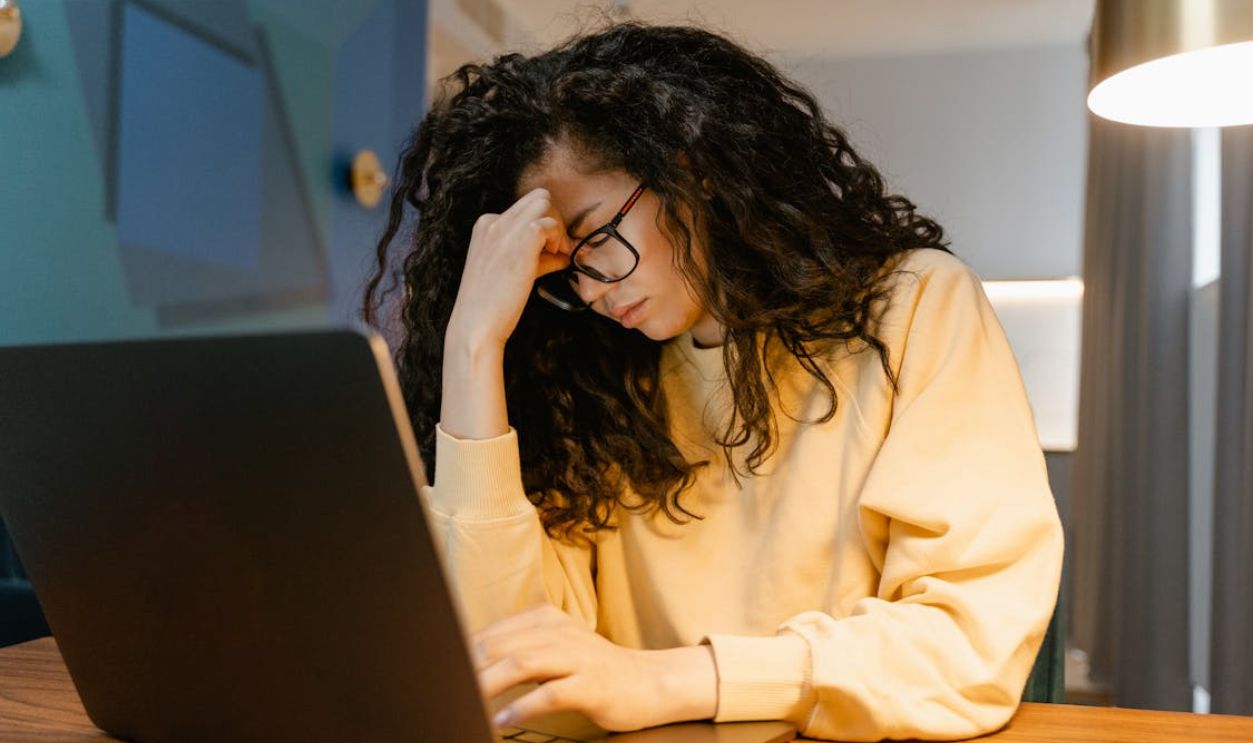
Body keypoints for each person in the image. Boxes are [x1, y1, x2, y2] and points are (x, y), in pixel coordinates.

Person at [362, 20, 1064, 743]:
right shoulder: (588, 380)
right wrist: (473, 345)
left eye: (597, 236)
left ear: (689, 169)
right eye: (565, 266)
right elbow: (510, 682)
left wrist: (661, 679)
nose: (594, 288)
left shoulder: (914, 306)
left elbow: (965, 644)